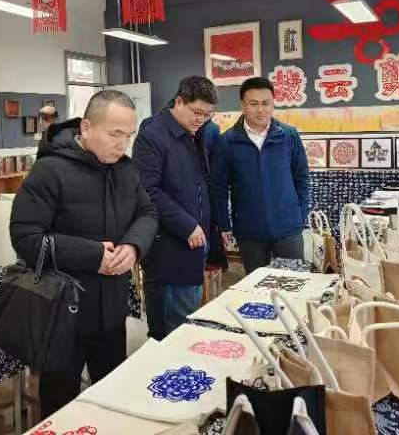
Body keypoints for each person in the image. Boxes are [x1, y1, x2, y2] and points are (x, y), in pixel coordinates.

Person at [10, 90, 158, 417]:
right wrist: (93, 255)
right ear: (87, 128)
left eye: (129, 135)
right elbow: (26, 238)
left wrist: (133, 246)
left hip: (111, 307)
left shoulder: (126, 169)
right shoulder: (50, 171)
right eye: (115, 134)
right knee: (61, 403)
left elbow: (147, 213)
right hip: (62, 311)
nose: (123, 144)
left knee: (112, 394)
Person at [132, 76, 219, 340]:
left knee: (186, 320)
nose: (201, 119)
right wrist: (187, 224)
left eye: (207, 114)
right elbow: (147, 190)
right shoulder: (153, 136)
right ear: (179, 101)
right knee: (173, 330)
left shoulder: (193, 132)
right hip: (169, 246)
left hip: (194, 243)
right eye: (196, 112)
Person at [210, 76, 309, 275]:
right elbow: (218, 187)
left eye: (266, 103)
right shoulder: (227, 142)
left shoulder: (288, 136)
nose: (260, 110)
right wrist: (223, 224)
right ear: (243, 105)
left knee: (293, 282)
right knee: (256, 284)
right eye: (253, 104)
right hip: (250, 230)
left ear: (273, 104)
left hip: (288, 228)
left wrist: (301, 214)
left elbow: (301, 178)